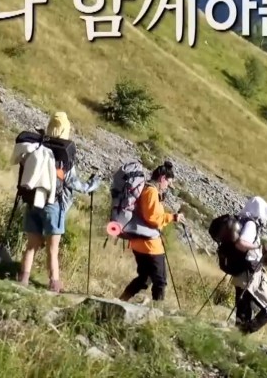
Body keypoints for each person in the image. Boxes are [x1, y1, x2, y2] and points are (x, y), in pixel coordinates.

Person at [18, 112, 100, 292]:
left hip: (32, 201)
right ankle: (54, 284)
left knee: (31, 246)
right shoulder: (63, 154)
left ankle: (23, 280)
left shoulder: (37, 146)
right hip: (53, 205)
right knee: (52, 249)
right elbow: (74, 183)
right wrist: (92, 185)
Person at [118, 161, 184, 304]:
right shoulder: (151, 192)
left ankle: (121, 301)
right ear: (162, 178)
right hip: (150, 246)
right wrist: (172, 217)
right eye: (168, 183)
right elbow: (153, 219)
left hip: (138, 243)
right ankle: (156, 311)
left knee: (144, 278)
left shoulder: (146, 189)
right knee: (160, 281)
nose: (167, 186)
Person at [228, 196, 267, 333]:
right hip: (249, 273)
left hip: (240, 272)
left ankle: (238, 336)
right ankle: (245, 332)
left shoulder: (242, 221)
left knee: (243, 309)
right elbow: (241, 243)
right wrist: (259, 246)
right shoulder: (251, 224)